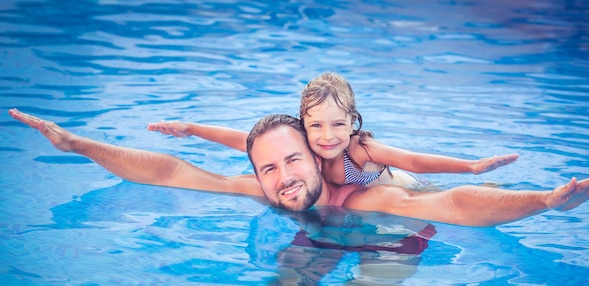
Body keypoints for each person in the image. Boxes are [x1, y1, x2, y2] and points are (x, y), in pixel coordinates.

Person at [9, 108, 589, 227]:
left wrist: (543, 201)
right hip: (321, 234)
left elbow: (454, 205)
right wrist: (80, 145)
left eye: (292, 161)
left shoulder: (352, 190)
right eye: (268, 169)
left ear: (317, 155)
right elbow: (169, 171)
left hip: (394, 215)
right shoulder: (261, 186)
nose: (282, 179)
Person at [147, 72, 519, 187]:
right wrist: (191, 128)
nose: (328, 136)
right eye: (317, 125)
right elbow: (243, 141)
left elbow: (413, 161)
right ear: (304, 125)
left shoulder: (360, 150)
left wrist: (471, 167)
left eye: (339, 124)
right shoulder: (304, 144)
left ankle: (484, 185)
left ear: (353, 122)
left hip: (407, 189)